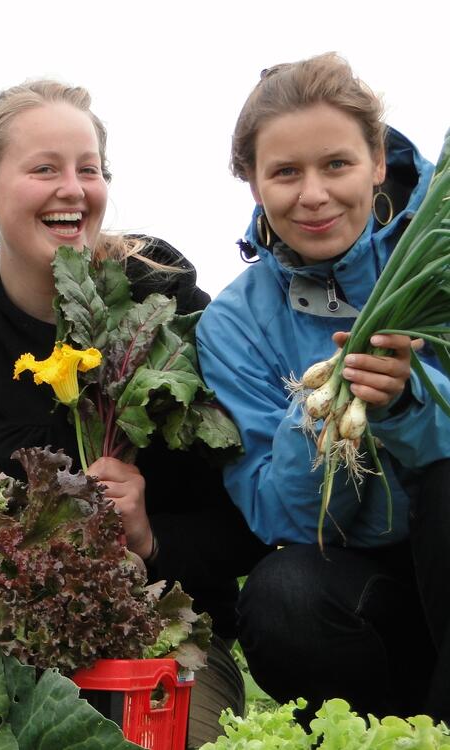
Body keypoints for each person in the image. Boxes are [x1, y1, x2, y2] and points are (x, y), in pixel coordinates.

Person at [0, 79, 269, 748]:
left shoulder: (172, 320)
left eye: (88, 169)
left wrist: (149, 536)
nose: (73, 188)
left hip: (159, 644)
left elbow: (241, 531)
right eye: (44, 169)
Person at [196, 53, 450, 722]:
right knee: (284, 595)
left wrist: (406, 407)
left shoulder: (439, 256)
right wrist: (321, 411)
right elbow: (283, 522)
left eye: (336, 164)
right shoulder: (233, 324)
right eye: (285, 172)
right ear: (253, 183)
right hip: (363, 591)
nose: (313, 195)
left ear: (375, 158)